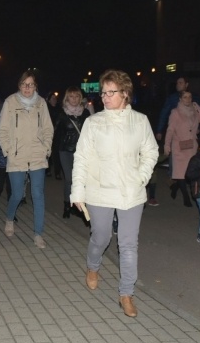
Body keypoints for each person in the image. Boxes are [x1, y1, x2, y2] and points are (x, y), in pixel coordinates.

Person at [71, 69, 159, 318]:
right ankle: (92, 265)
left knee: (129, 244)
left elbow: (151, 151)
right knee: (101, 237)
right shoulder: (93, 122)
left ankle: (126, 293)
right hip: (99, 190)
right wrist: (78, 191)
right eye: (104, 92)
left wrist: (140, 177)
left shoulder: (140, 121)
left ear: (125, 94)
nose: (106, 97)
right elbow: (82, 158)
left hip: (131, 193)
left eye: (111, 92)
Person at [0, 69, 54, 248]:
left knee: (38, 195)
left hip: (37, 155)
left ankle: (38, 234)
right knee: (16, 194)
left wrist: (46, 148)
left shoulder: (41, 104)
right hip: (17, 156)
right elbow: (3, 130)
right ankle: (9, 219)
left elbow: (48, 128)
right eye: (24, 84)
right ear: (19, 85)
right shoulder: (10, 102)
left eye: (30, 84)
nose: (27, 88)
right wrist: (8, 150)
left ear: (35, 86)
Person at [164, 90, 200, 207]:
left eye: (190, 97)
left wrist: (197, 107)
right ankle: (186, 197)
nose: (188, 99)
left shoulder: (195, 110)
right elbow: (170, 130)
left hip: (192, 147)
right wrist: (167, 145)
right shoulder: (175, 112)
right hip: (179, 146)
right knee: (180, 173)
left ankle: (175, 186)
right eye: (185, 97)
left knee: (189, 172)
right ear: (180, 99)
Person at [53, 87, 91, 218]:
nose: (74, 99)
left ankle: (78, 204)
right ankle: (67, 205)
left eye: (76, 96)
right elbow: (55, 133)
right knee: (69, 179)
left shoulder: (85, 113)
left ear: (80, 98)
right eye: (71, 96)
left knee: (81, 179)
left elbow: (91, 132)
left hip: (82, 151)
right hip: (66, 150)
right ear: (66, 98)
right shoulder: (62, 114)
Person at [46, 92, 63, 180]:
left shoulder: (59, 109)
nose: (54, 100)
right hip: (47, 134)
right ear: (48, 100)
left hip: (57, 134)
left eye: (55, 98)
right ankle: (47, 170)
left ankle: (57, 172)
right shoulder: (45, 109)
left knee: (56, 154)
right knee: (47, 153)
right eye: (52, 98)